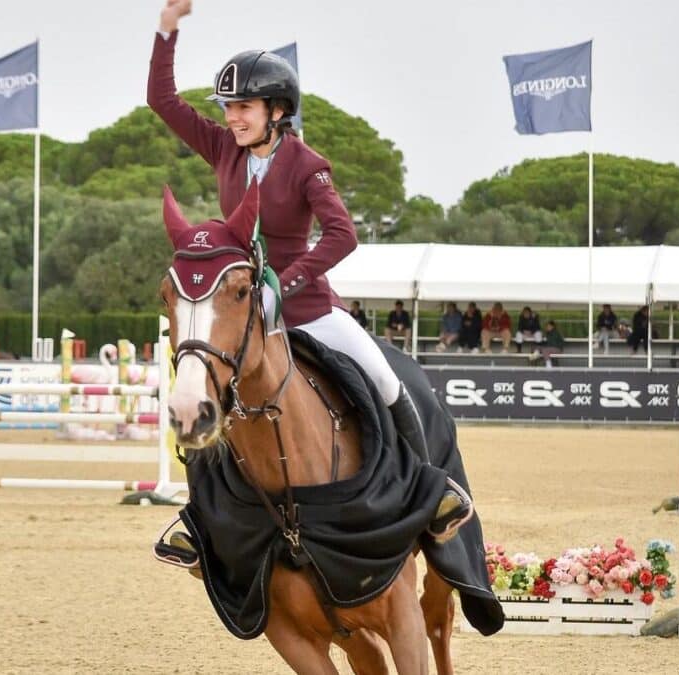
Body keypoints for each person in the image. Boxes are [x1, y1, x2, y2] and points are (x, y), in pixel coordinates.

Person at [149, 0, 471, 556]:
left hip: (311, 310)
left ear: (277, 110)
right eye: (228, 107)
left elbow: (342, 234)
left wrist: (286, 284)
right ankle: (198, 524)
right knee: (205, 393)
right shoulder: (224, 149)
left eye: (243, 107)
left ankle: (429, 491)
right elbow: (162, 101)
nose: (231, 118)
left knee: (386, 382)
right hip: (244, 316)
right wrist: (166, 32)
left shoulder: (307, 165)